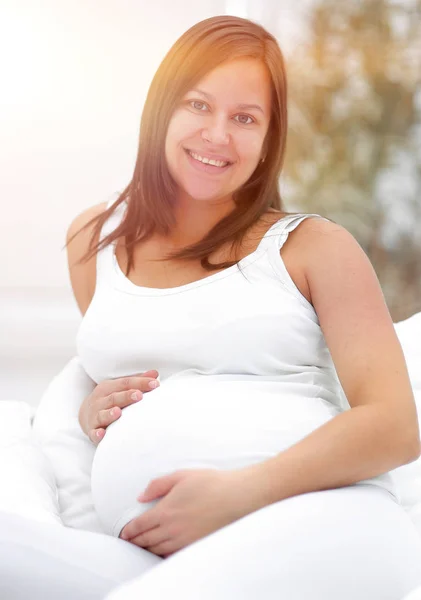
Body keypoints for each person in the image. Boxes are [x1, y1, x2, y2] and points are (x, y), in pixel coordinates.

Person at [2, 14, 421, 600]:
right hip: (160, 555)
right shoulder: (94, 240)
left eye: (245, 118)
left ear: (270, 139)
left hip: (327, 521)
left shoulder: (315, 248)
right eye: (198, 106)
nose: (217, 135)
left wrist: (239, 493)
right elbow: (119, 379)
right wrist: (91, 407)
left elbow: (396, 426)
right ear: (161, 109)